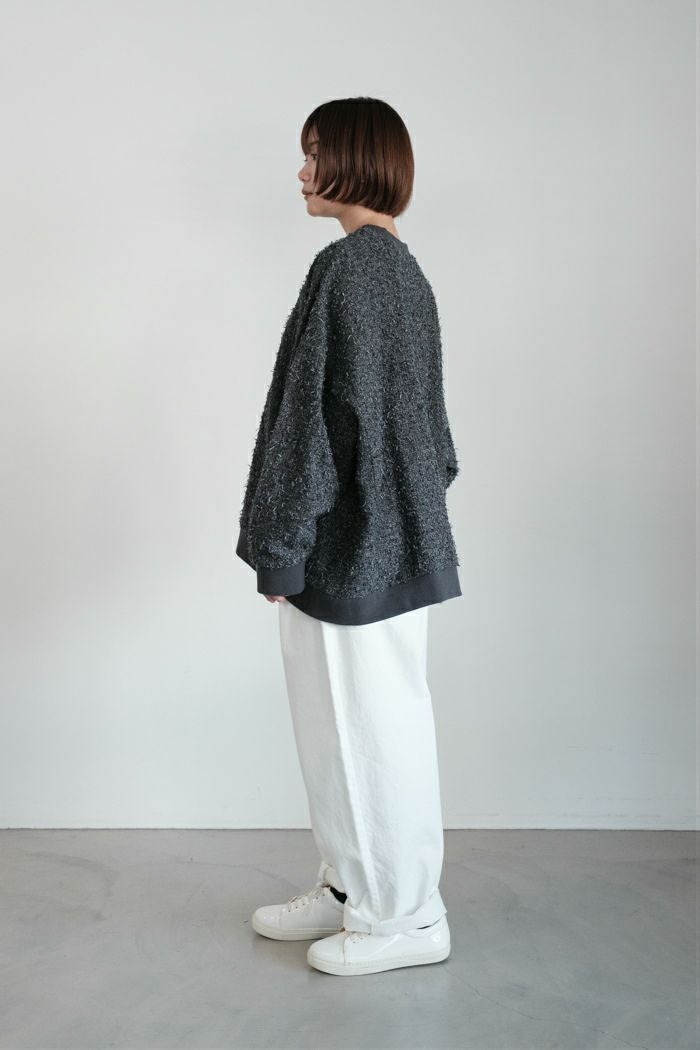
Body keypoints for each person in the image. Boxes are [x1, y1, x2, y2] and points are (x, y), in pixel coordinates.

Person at [235, 96, 461, 976]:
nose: (301, 171)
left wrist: (282, 544)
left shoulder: (348, 270)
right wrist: (406, 513)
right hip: (387, 537)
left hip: (349, 545)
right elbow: (434, 436)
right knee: (352, 731)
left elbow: (311, 425)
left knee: (367, 734)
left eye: (315, 152)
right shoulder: (403, 271)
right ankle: (351, 888)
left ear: (357, 161)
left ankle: (405, 917)